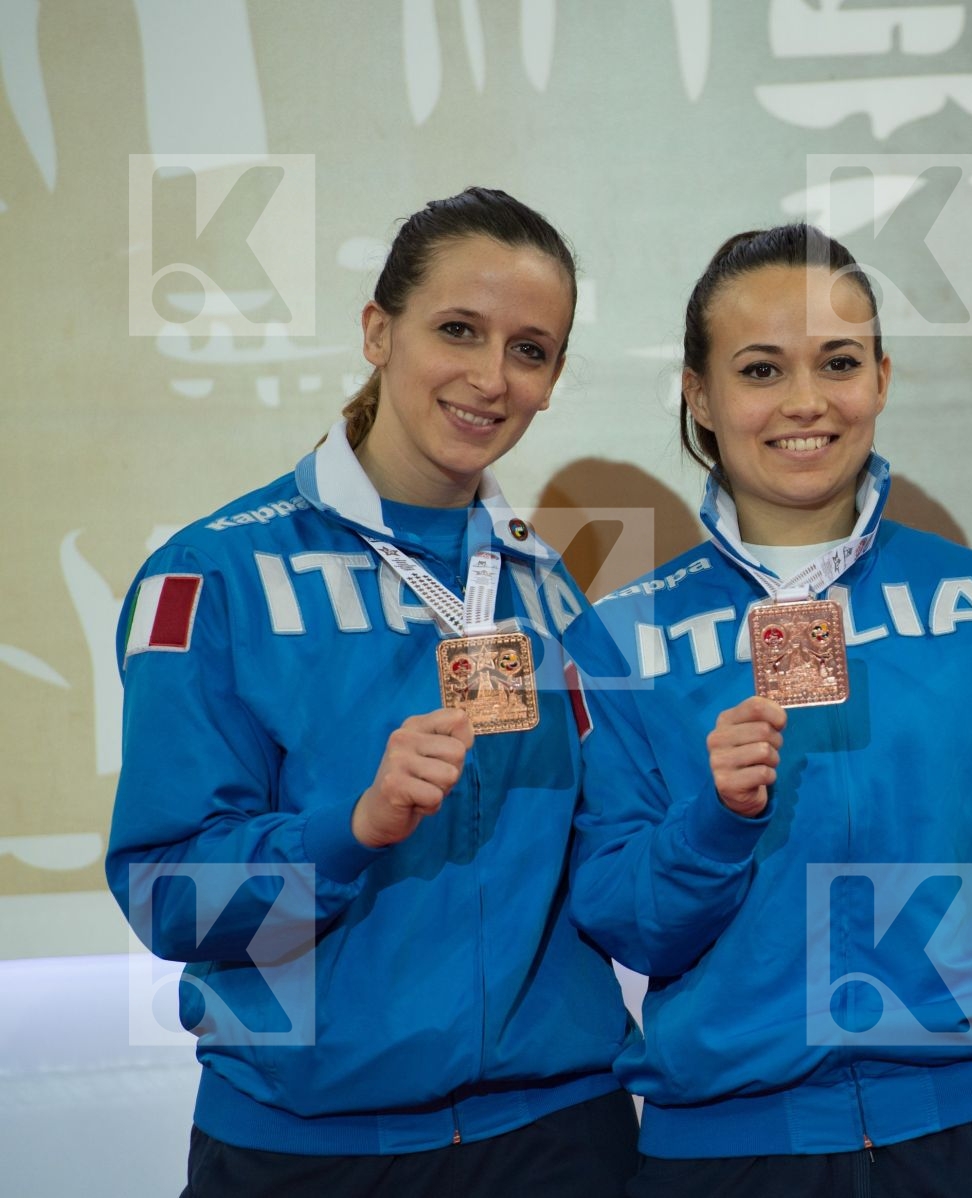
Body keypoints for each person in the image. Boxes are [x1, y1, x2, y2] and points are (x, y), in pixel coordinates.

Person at [106, 187, 639, 1197]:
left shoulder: (546, 588)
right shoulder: (212, 576)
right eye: (458, 330)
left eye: (530, 350)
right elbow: (165, 892)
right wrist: (351, 828)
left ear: (554, 377)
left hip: (557, 1137)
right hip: (306, 1152)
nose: (491, 377)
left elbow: (603, 867)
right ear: (377, 331)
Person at [564, 224, 972, 1198]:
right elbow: (627, 922)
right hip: (727, 1154)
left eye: (839, 363)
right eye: (761, 368)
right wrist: (714, 822)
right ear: (699, 393)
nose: (806, 401)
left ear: (884, 379)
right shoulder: (619, 638)